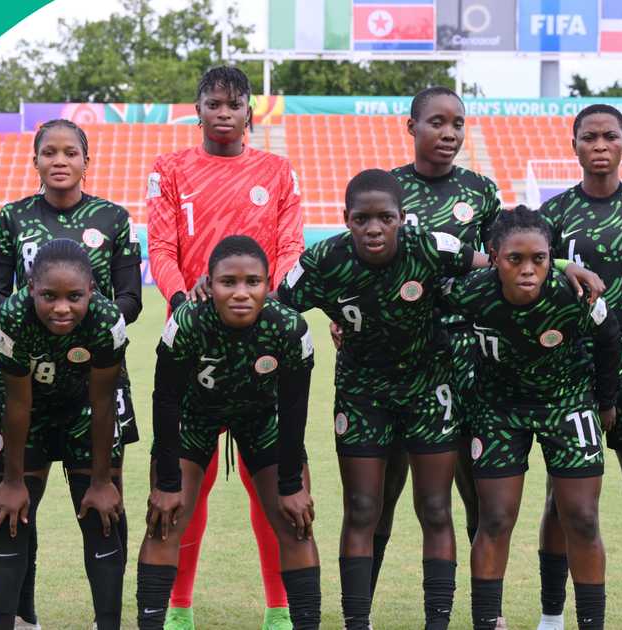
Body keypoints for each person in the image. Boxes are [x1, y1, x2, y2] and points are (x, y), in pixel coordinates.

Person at [275, 168, 496, 630]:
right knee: (362, 509)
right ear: (346, 219)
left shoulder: (430, 246)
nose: (374, 228)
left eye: (385, 218)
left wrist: (563, 268)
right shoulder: (323, 260)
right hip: (362, 393)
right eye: (362, 219)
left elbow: (501, 264)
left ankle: (437, 622)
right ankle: (357, 622)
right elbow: (275, 304)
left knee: (435, 508)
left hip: (428, 389)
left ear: (402, 218)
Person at [146, 65, 303, 630]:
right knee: (189, 485)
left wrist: (269, 303)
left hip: (262, 346)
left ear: (248, 113)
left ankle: (280, 610)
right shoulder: (169, 169)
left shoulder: (277, 171)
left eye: (233, 104)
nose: (223, 113)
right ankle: (178, 608)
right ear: (198, 110)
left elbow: (290, 246)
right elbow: (160, 247)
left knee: (271, 489)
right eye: (213, 103)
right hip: (194, 346)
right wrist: (183, 299)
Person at [0, 118, 142, 629]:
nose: (59, 160)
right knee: (16, 508)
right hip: (22, 372)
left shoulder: (113, 218)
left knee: (103, 505)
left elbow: (131, 298)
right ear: (35, 160)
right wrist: (32, 324)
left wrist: (84, 326)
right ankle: (21, 616)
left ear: (86, 161)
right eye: (48, 152)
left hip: (94, 373)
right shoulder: (12, 217)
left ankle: (106, 619)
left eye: (70, 152)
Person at [441, 206, 620, 630]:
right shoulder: (471, 292)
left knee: (582, 518)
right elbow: (427, 295)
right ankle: (487, 621)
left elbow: (609, 335)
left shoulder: (572, 294)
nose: (527, 269)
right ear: (493, 257)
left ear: (550, 258)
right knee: (495, 518)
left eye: (539, 259)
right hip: (498, 409)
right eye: (514, 259)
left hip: (567, 404)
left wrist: (606, 401)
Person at [536, 103, 622, 630]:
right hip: (570, 372)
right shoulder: (553, 214)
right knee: (562, 504)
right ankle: (552, 617)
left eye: (609, 136)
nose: (600, 145)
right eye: (589, 137)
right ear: (573, 145)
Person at [136, 235, 321, 630]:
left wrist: (291, 484)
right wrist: (166, 482)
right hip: (195, 416)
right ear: (210, 283)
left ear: (268, 284)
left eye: (252, 282)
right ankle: (159, 618)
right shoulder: (188, 321)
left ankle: (298, 619)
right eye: (228, 282)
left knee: (296, 522)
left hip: (261, 419)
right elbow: (165, 400)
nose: (240, 292)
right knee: (165, 520)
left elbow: (294, 410)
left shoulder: (289, 327)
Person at [361, 86, 502, 600]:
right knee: (382, 493)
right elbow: (360, 263)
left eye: (457, 124)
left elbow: (503, 266)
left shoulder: (481, 192)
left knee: (474, 488)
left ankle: (486, 610)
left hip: (468, 358)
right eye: (437, 122)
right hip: (398, 356)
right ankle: (361, 609)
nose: (449, 133)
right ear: (412, 126)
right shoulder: (388, 188)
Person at [0, 239, 128, 630]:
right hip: (25, 410)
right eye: (49, 296)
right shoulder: (13, 316)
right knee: (12, 517)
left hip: (84, 408)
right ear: (31, 288)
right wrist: (13, 481)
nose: (61, 308)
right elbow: (18, 405)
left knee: (100, 515)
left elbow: (103, 403)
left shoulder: (106, 319)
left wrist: (101, 481)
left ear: (91, 292)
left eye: (74, 297)